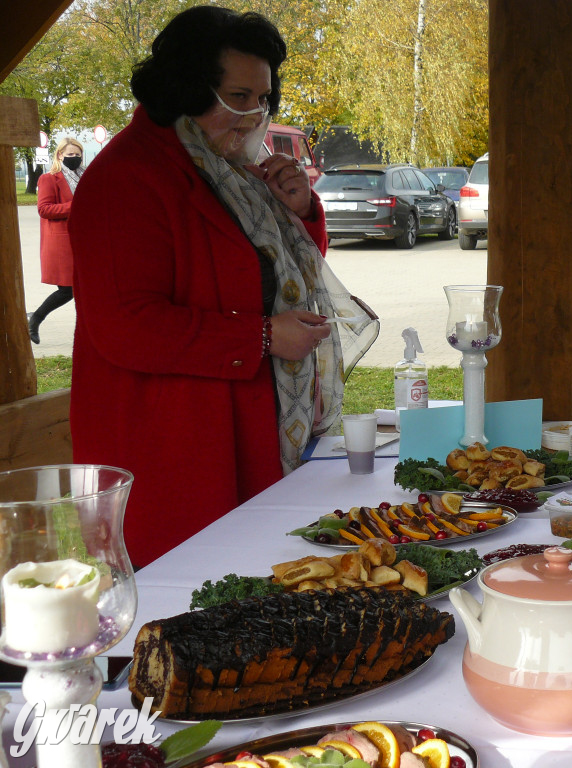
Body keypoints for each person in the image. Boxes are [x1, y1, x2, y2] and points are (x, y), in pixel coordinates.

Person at [70, 6, 375, 568]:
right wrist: (259, 339)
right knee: (193, 606)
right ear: (187, 86)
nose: (253, 115)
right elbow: (125, 327)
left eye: (263, 98)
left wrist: (299, 210)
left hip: (243, 433)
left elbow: (268, 281)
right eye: (239, 96)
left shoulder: (224, 167)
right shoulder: (127, 179)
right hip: (175, 452)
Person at [28, 137, 85, 344]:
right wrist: (75, 205)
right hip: (63, 243)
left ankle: (87, 334)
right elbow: (44, 209)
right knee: (68, 290)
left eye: (78, 155)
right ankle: (35, 319)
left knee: (85, 289)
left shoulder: (85, 176)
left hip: (85, 240)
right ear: (60, 155)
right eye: (70, 154)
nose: (75, 158)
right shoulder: (49, 178)